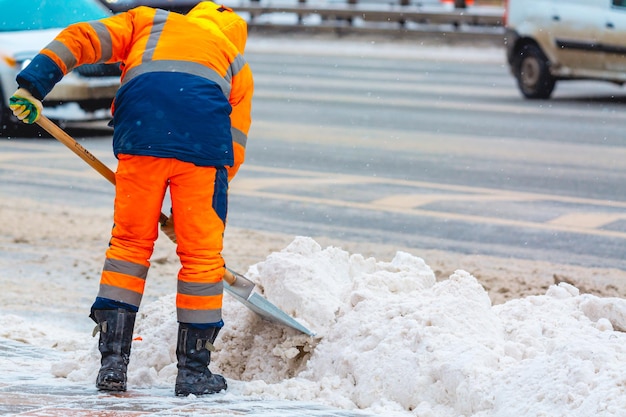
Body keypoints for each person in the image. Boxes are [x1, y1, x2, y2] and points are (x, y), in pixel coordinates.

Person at [9, 2, 253, 396]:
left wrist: (32, 84)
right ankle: (193, 373)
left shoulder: (149, 20)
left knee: (129, 246)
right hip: (204, 154)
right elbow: (234, 146)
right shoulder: (237, 64)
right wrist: (191, 215)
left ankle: (112, 367)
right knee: (203, 257)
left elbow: (81, 38)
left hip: (141, 135)